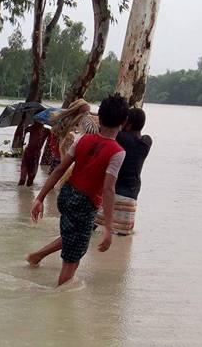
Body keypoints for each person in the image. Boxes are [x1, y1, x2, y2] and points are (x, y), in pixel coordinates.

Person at [26, 93, 129, 286]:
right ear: (123, 122)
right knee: (72, 260)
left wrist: (39, 198)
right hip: (85, 203)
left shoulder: (82, 140)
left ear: (101, 117)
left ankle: (36, 256)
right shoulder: (117, 152)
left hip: (67, 196)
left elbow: (58, 170)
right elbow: (108, 189)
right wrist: (108, 227)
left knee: (71, 237)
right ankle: (60, 301)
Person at [94, 106, 152, 235]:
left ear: (127, 124)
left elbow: (107, 129)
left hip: (111, 191)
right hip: (131, 196)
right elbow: (140, 136)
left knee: (93, 230)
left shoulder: (121, 137)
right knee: (122, 236)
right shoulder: (146, 143)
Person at [19, 121, 49, 186]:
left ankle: (26, 193)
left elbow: (54, 137)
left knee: (31, 176)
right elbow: (22, 136)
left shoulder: (47, 131)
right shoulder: (31, 128)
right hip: (28, 153)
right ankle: (21, 193)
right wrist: (22, 140)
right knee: (23, 178)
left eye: (37, 120)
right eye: (34, 120)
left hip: (36, 154)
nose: (35, 121)